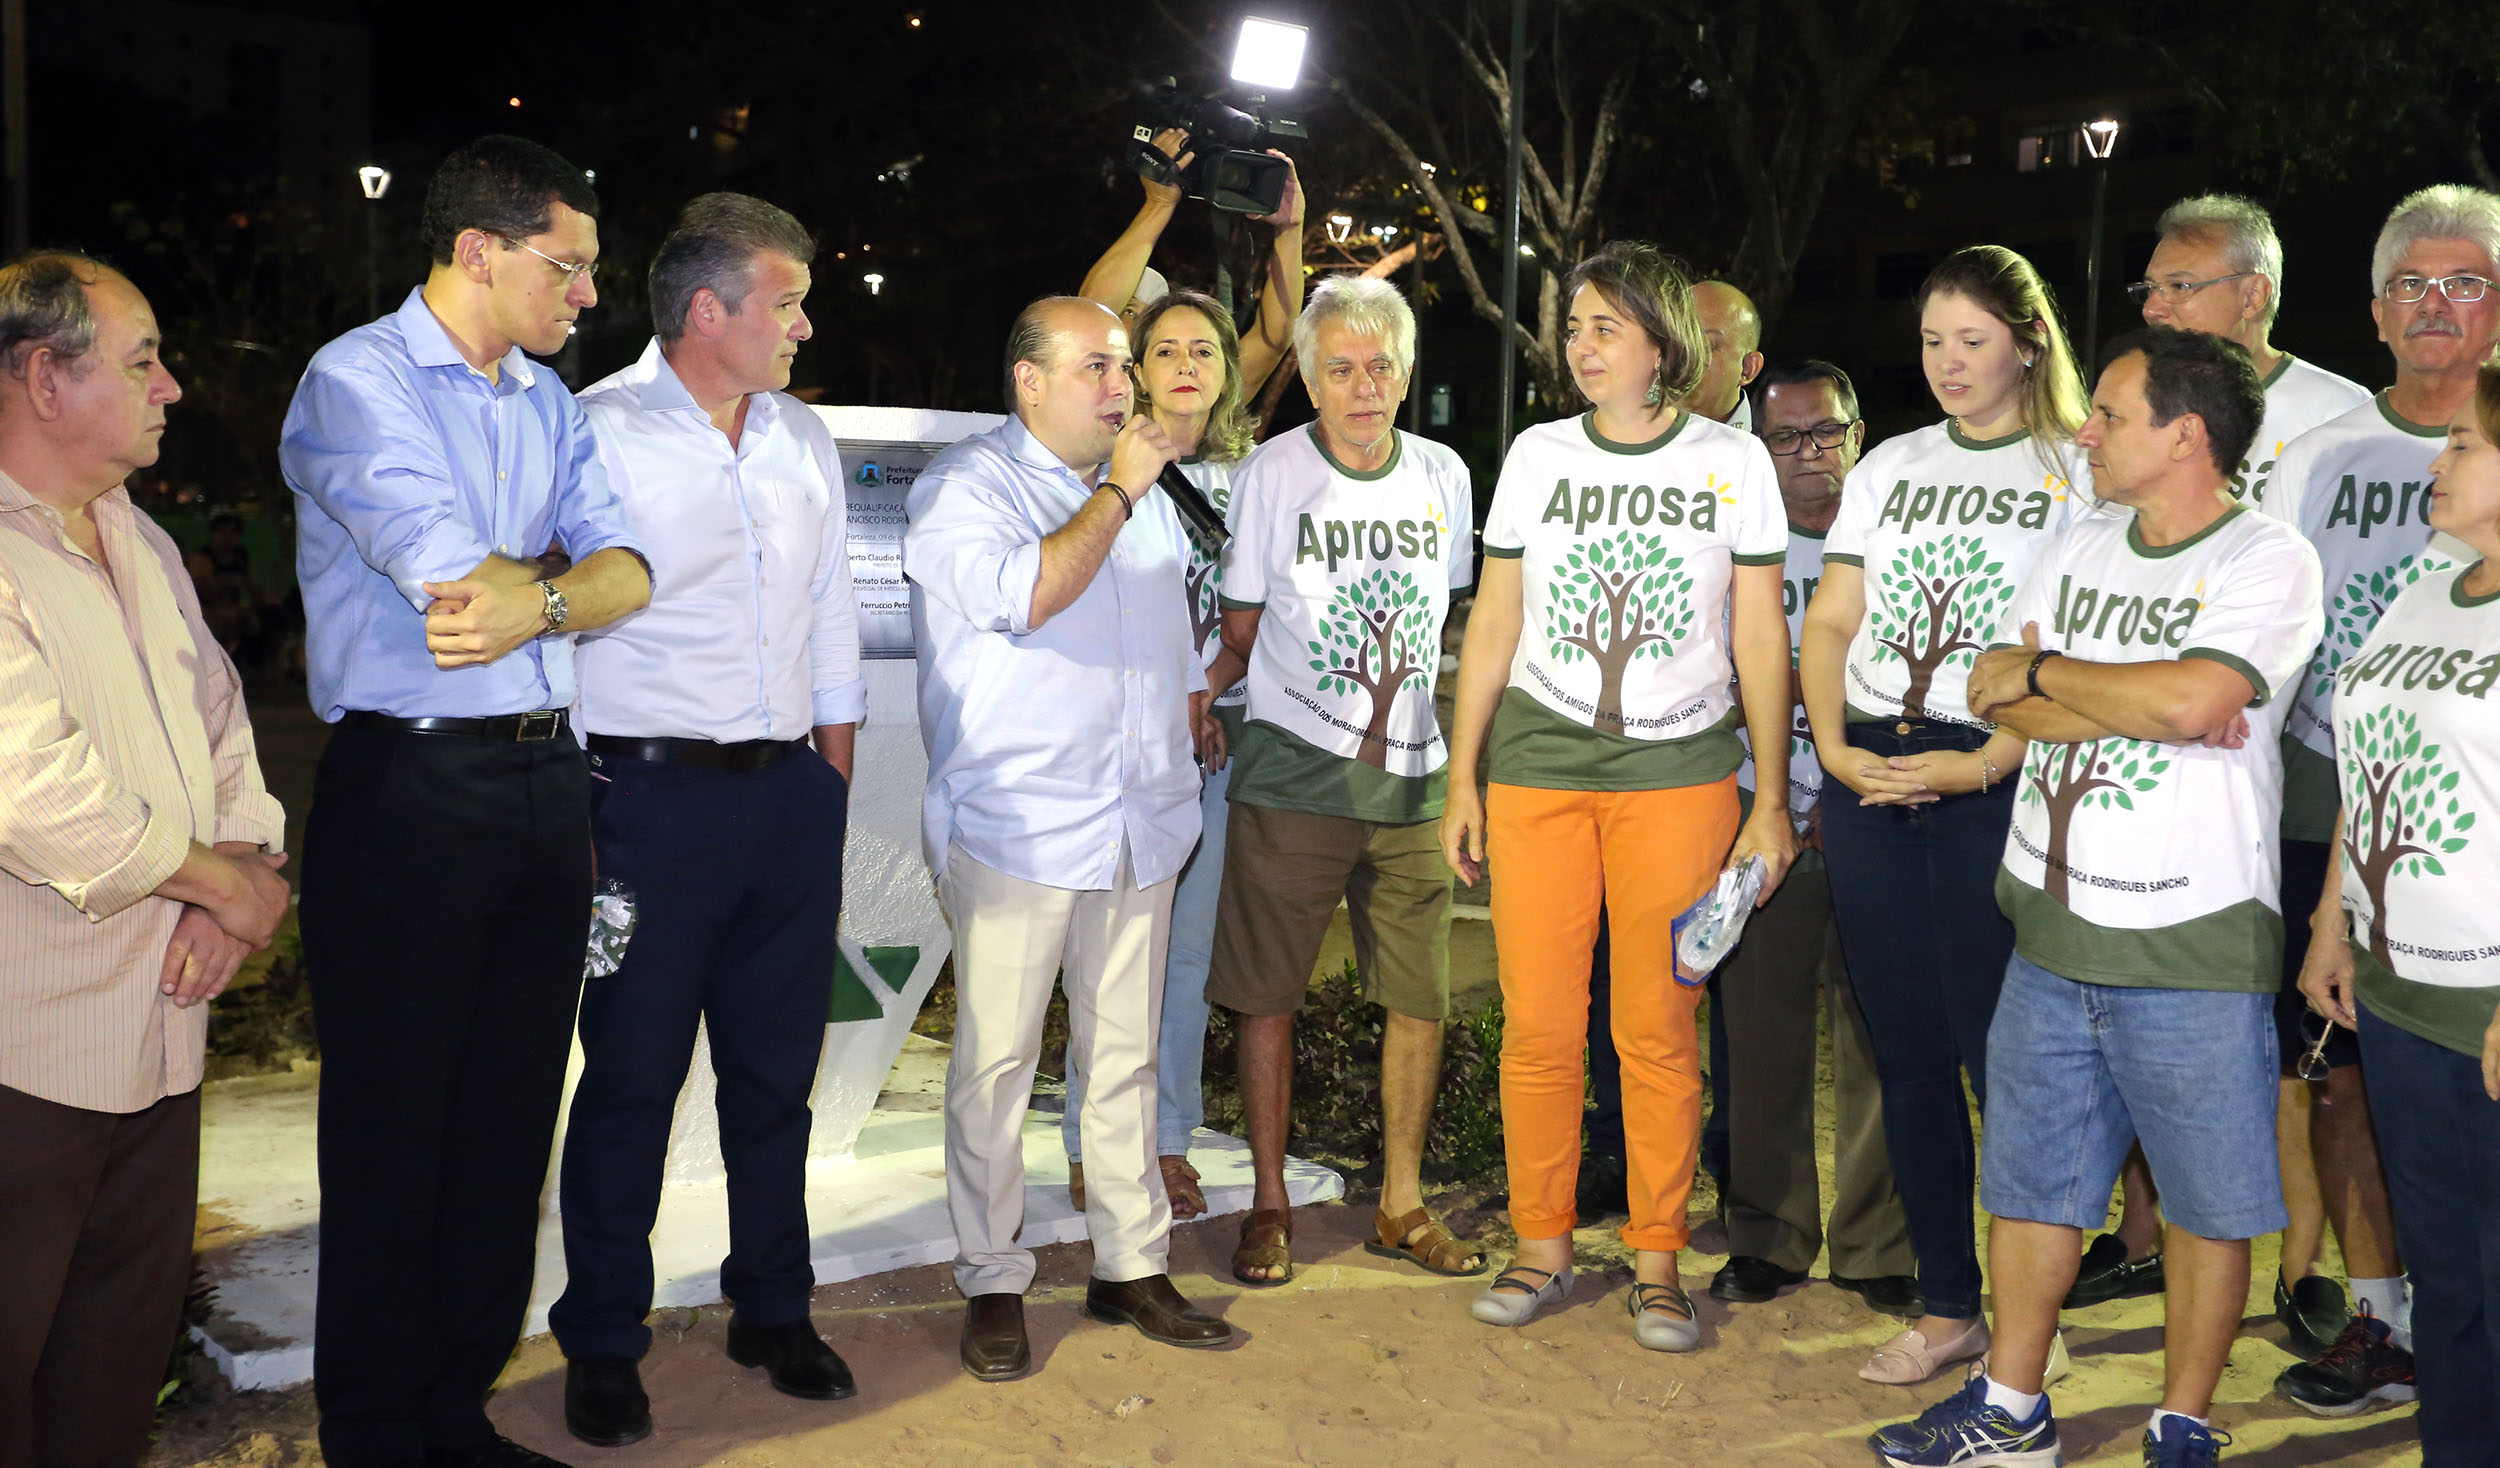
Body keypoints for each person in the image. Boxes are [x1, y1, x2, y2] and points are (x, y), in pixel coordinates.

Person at [1873, 326, 2322, 1468]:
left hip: (2191, 937)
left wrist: (2062, 679)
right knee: (2028, 1183)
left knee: (2207, 1201)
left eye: (2110, 413)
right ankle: (2012, 1407)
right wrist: (2132, 695)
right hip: (2048, 925)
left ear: (2184, 435)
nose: (2084, 428)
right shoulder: (2077, 540)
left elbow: (2176, 701)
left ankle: (2183, 1420)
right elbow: (1992, 692)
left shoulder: (2266, 559)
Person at [280, 135, 653, 1468]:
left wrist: (547, 592)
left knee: (506, 1123)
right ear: (478, 251)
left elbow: (630, 569)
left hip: (548, 777)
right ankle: (377, 1432)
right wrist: (553, 581)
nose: (588, 296)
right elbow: (453, 585)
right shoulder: (355, 383)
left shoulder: (548, 403)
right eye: (570, 265)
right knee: (397, 1125)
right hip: (414, 785)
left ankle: (456, 1408)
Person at [550, 194, 864, 1446]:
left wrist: (827, 785)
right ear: (706, 311)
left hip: (785, 801)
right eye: (784, 301)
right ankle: (602, 1337)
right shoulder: (593, 434)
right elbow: (553, 629)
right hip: (644, 807)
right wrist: (575, 813)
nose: (803, 323)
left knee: (776, 1077)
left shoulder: (803, 439)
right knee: (628, 1079)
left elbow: (832, 614)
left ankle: (770, 1306)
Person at [1440, 241, 1794, 1349]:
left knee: (1656, 1028)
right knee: (1539, 1026)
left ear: (1659, 343)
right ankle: (1541, 1247)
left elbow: (1758, 638)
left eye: (1604, 327)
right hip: (1538, 769)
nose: (1582, 345)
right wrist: (1464, 775)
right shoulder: (1539, 455)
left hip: (1679, 775)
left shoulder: (1733, 462)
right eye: (1575, 326)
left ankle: (1655, 1260)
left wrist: (1769, 797)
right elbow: (1493, 621)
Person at [0, 251, 290, 1468]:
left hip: (160, 1031)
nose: (172, 386)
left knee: (114, 1360)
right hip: (28, 1048)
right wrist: (222, 884)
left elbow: (224, 727)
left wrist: (243, 872)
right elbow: (34, 789)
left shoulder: (142, 541)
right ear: (41, 379)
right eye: (142, 360)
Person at [905, 295, 1229, 1384]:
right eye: (1096, 366)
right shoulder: (968, 488)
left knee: (1126, 1059)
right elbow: (1026, 593)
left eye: (1124, 366)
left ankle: (1129, 1263)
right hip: (1019, 826)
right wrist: (1118, 492)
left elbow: (1174, 637)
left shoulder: (1150, 497)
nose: (1122, 386)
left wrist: (1191, 714)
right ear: (1027, 381)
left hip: (1139, 820)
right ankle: (994, 1276)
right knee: (996, 1063)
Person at [2073, 194, 2372, 1329]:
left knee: (2299, 1045)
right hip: (2153, 764)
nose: (2153, 303)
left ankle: (2303, 1269)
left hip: (2296, 765)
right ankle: (2143, 1236)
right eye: (2148, 286)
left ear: (2253, 294)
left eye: (2177, 285)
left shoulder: (2340, 422)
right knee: (2171, 1020)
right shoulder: (2139, 412)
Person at [1798, 244, 2090, 1387]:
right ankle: (1946, 1305)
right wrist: (1832, 752)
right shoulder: (1888, 466)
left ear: (2025, 339)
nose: (1948, 364)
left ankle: (2031, 1316)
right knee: (1908, 1055)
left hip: (1995, 787)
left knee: (2004, 1060)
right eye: (1930, 342)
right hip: (1869, 776)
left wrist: (1983, 767)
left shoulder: (2075, 466)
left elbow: (2078, 649)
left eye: (1971, 340)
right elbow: (1828, 624)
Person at [2256, 184, 2498, 1400]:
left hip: (2471, 870)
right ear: (2374, 309)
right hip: (2332, 810)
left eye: (2464, 281)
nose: (2437, 304)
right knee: (2338, 1078)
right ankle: (2384, 1316)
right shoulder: (2320, 457)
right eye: (2414, 283)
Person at [1205, 276, 1481, 1289]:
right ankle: (1269, 1202)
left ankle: (1400, 1205)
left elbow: (1443, 610)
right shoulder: (1271, 474)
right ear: (1312, 378)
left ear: (1406, 372)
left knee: (1419, 997)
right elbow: (1240, 625)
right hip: (1291, 772)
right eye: (1339, 368)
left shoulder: (1446, 474)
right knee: (1266, 994)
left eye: (1380, 366)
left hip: (1411, 779)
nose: (1363, 387)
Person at [2299, 362, 2500, 1462]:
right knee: (2448, 1280)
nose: (2440, 457)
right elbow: (2366, 759)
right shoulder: (2433, 576)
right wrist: (2335, 920)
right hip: (2399, 994)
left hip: (2485, 1004)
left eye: (2465, 443)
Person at [1708, 360, 1918, 1318]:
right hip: (1764, 824)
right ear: (1760, 447)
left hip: (1881, 816)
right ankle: (1768, 1236)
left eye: (1826, 432)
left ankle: (1879, 1245)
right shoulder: (1739, 551)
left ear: (1859, 432)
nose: (1809, 456)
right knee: (1759, 1043)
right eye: (1786, 437)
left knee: (1886, 1039)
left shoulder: (1899, 541)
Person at [1059, 287, 1257, 1224]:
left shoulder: (1251, 476)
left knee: (1183, 958)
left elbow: (1260, 612)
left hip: (1215, 739)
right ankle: (1089, 1145)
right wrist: (1181, 698)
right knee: (1105, 958)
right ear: (1136, 368)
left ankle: (1167, 1139)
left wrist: (1205, 691)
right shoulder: (1105, 469)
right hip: (1126, 742)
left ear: (1227, 373)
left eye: (1205, 351)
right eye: (1165, 348)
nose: (1186, 364)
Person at [1585, 273, 1768, 1215]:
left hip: (1729, 783)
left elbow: (1763, 637)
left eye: (1706, 336)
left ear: (1747, 361)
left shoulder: (1750, 465)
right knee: (1625, 983)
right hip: (1643, 779)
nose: (1687, 349)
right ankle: (1615, 1158)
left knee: (1728, 1002)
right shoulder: (1595, 452)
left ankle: (1738, 1182)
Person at [1078, 128, 1305, 400]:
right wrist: (1158, 204)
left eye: (1150, 318)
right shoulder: (1092, 400)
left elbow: (1273, 340)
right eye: (1129, 311)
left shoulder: (1205, 397)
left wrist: (1291, 229)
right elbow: (1089, 318)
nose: (1142, 325)